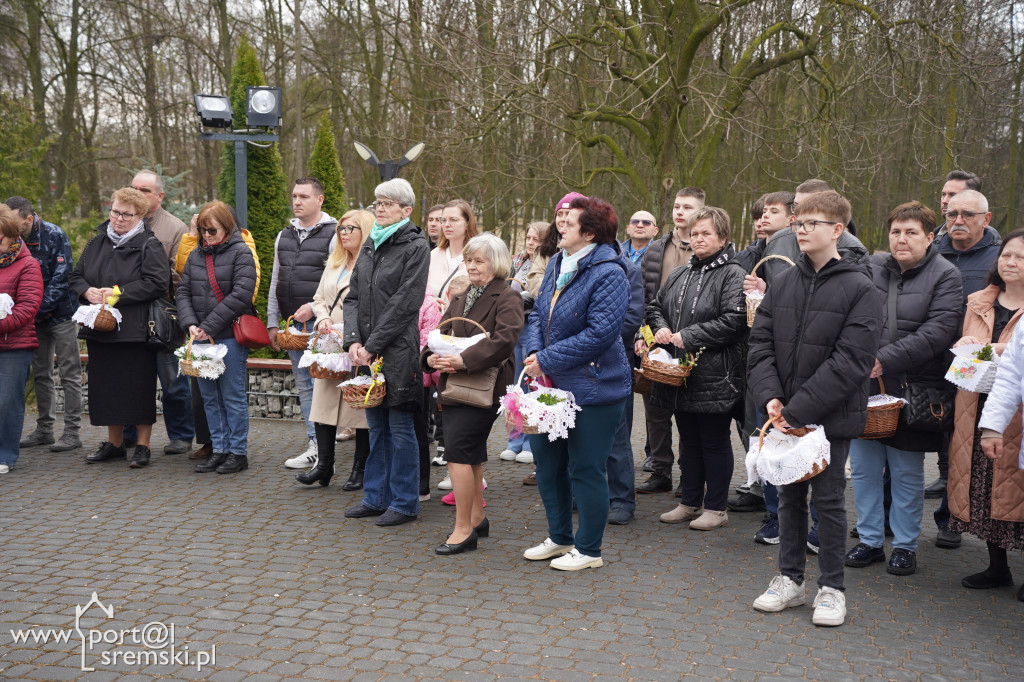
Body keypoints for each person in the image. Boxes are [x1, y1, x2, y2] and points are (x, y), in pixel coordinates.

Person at [748, 191, 881, 627]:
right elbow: (761, 342)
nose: (801, 231)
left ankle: (832, 588)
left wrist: (799, 409)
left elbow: (852, 360)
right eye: (798, 224)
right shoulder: (784, 280)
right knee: (788, 497)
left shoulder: (861, 287)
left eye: (812, 224)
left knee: (827, 500)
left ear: (837, 230)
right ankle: (790, 579)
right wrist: (772, 396)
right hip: (783, 411)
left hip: (830, 415)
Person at [844, 202, 961, 576]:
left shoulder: (946, 275)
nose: (902, 239)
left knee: (906, 473)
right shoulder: (872, 266)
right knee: (863, 470)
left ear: (930, 237)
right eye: (896, 231)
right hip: (865, 385)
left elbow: (938, 332)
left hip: (912, 388)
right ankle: (870, 541)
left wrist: (882, 359)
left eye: (911, 232)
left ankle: (906, 546)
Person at [521, 196, 631, 571]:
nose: (560, 224)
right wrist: (536, 353)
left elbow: (602, 333)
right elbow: (537, 314)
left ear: (590, 232)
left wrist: (546, 359)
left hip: (595, 387)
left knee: (586, 468)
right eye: (560, 218)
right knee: (547, 465)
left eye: (569, 220)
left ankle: (588, 551)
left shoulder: (611, 271)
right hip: (546, 386)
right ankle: (560, 537)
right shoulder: (555, 261)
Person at [647, 207, 748, 531]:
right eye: (695, 233)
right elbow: (655, 306)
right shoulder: (679, 272)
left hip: (715, 374)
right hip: (679, 374)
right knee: (687, 440)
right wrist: (661, 329)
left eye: (706, 233)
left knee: (714, 441)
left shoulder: (734, 273)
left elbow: (734, 320)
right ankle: (690, 502)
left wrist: (686, 336)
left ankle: (716, 508)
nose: (698, 238)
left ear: (723, 237)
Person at [423, 233, 523, 554]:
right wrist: (429, 357)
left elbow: (504, 341)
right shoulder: (462, 295)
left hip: (485, 386)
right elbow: (440, 331)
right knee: (471, 452)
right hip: (454, 384)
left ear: (497, 263)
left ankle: (463, 529)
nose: (472, 266)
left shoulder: (508, 296)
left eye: (479, 260)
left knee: (458, 453)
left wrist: (463, 359)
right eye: (469, 260)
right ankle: (477, 518)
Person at [343, 178, 430, 527]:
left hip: (395, 350)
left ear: (406, 210)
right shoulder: (370, 244)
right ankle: (375, 497)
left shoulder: (415, 245)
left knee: (401, 427)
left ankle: (405, 502)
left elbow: (405, 304)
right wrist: (352, 341)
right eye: (377, 202)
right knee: (375, 426)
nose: (379, 208)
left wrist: (372, 345)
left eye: (387, 203)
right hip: (365, 351)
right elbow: (353, 297)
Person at [70, 188, 170, 468]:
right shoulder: (97, 241)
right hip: (100, 329)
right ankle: (114, 444)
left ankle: (142, 446)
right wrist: (87, 291)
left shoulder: (149, 244)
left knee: (138, 389)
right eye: (115, 212)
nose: (119, 219)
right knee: (107, 388)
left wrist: (116, 293)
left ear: (140, 216)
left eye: (127, 214)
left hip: (135, 331)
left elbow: (156, 282)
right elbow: (76, 276)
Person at [949, 228, 1024, 603]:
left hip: (1019, 413)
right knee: (983, 485)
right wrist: (966, 345)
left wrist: (992, 348)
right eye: (1007, 255)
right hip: (977, 403)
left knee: (1017, 489)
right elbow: (969, 347)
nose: (1011, 263)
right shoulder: (978, 300)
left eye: (1021, 258)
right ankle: (997, 566)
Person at [933, 188, 1002, 548]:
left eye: (968, 215)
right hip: (933, 361)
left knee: (962, 446)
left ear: (985, 219)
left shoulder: (999, 259)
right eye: (952, 214)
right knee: (933, 444)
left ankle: (951, 519)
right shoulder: (932, 251)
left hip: (976, 370)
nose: (958, 221)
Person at [176, 201, 258, 474]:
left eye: (212, 230)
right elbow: (183, 291)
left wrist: (208, 325)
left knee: (232, 395)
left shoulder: (241, 253)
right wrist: (190, 324)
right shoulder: (197, 254)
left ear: (227, 227)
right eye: (202, 231)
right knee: (209, 397)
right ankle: (219, 449)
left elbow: (241, 295)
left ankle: (237, 452)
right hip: (201, 336)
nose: (207, 236)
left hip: (228, 337)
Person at [297, 209, 375, 488]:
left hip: (358, 342)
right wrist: (322, 317)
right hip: (329, 344)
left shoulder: (372, 265)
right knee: (324, 404)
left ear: (364, 231)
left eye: (350, 228)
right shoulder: (334, 263)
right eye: (341, 228)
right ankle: (324, 467)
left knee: (359, 405)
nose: (343, 233)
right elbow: (319, 298)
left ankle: (360, 470)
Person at [637, 187, 705, 494]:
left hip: (696, 343)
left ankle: (691, 477)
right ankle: (660, 471)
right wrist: (642, 335)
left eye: (687, 207)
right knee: (655, 411)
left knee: (691, 415)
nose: (679, 211)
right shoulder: (654, 250)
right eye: (676, 206)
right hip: (657, 340)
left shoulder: (708, 249)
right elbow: (642, 298)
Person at [268, 177, 338, 470]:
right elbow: (275, 279)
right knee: (306, 387)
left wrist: (313, 307)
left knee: (325, 387)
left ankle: (325, 448)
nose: (297, 201)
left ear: (319, 200)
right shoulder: (284, 234)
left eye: (304, 197)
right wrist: (273, 321)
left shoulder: (334, 234)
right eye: (294, 196)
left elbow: (338, 280)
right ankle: (315, 445)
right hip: (294, 329)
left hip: (322, 326)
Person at [5, 197, 82, 452]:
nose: (13, 231)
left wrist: (34, 311)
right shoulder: (12, 238)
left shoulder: (54, 235)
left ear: (29, 218)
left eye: (18, 225)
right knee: (41, 373)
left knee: (69, 373)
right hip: (32, 318)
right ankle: (44, 429)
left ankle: (72, 432)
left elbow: (62, 280)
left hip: (60, 315)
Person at [125, 170, 194, 455]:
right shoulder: (122, 223)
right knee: (130, 380)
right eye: (133, 188)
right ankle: (128, 434)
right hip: (129, 315)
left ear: (159, 196)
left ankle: (180, 435)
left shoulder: (175, 228)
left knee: (174, 382)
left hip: (164, 315)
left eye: (145, 190)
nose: (137, 194)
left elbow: (181, 275)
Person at [499, 220, 547, 465]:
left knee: (532, 384)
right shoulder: (517, 261)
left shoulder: (549, 262)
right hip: (514, 328)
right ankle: (513, 440)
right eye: (529, 237)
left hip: (534, 329)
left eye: (536, 239)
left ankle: (530, 442)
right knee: (515, 385)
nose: (531, 242)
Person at [0, 205, 43, 474]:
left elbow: (27, 309)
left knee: (6, 401)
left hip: (13, 347)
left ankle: (5, 454)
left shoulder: (28, 265)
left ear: (13, 236)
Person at [427, 199, 479, 308]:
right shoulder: (433, 255)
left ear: (467, 224)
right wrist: (429, 302)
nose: (446, 225)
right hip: (434, 322)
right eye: (443, 220)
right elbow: (419, 292)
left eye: (453, 220)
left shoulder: (479, 258)